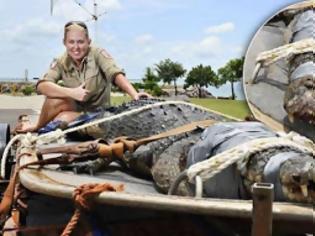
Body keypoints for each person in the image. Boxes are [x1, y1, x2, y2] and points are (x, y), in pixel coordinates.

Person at [16, 21, 149, 133]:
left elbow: (115, 73)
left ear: (88, 41)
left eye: (80, 42)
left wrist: (134, 94)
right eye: (71, 42)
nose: (76, 47)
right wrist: (72, 93)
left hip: (100, 114)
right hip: (76, 112)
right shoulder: (61, 61)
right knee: (55, 103)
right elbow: (41, 85)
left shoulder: (98, 53)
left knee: (64, 121)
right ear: (65, 43)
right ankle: (37, 128)